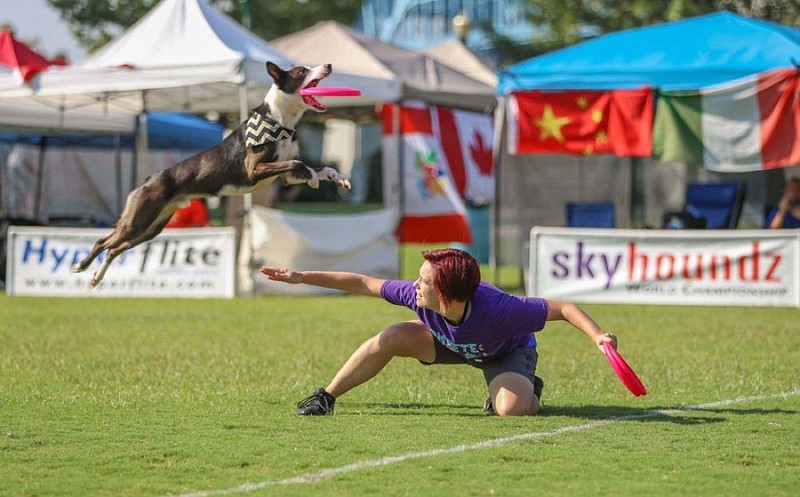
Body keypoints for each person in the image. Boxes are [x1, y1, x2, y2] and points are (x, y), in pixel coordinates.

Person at [260, 248, 618, 417]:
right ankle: (326, 397)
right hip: (452, 343)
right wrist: (301, 277)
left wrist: (598, 336)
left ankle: (529, 389)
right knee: (390, 337)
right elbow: (364, 283)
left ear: (446, 292)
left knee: (510, 412)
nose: (414, 284)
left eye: (424, 281)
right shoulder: (417, 296)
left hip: (505, 352)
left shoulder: (502, 310)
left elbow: (564, 309)